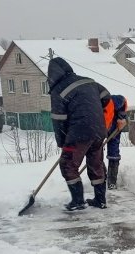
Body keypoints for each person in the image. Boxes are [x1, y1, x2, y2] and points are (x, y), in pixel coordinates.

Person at [49, 57, 111, 210]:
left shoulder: (59, 90)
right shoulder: (88, 81)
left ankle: (77, 201)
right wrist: (95, 112)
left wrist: (62, 142)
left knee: (67, 164)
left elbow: (58, 119)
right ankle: (100, 200)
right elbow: (106, 96)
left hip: (78, 133)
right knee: (95, 164)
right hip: (98, 130)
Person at [103, 95, 128, 190]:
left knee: (113, 152)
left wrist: (121, 117)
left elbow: (122, 99)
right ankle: (101, 178)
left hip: (114, 126)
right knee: (95, 152)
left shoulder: (110, 101)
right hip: (98, 129)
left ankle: (112, 181)